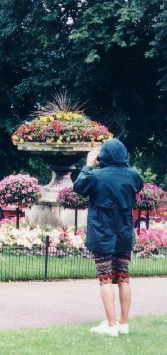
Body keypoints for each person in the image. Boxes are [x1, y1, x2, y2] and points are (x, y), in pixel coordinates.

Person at [73, 138, 143, 337]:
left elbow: (79, 187)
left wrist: (89, 164)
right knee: (123, 277)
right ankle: (124, 324)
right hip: (124, 233)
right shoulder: (133, 176)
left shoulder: (96, 177)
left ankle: (111, 326)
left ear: (103, 155)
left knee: (105, 279)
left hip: (102, 232)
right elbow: (136, 186)